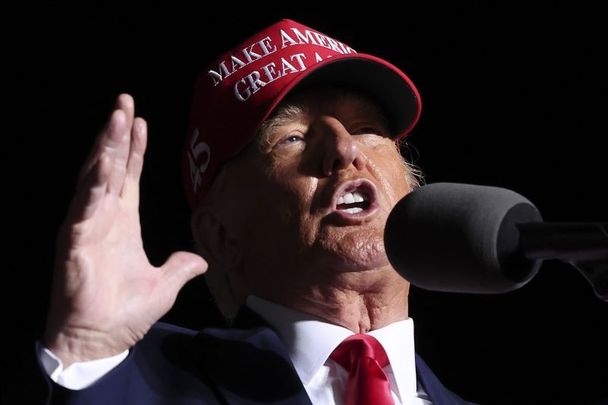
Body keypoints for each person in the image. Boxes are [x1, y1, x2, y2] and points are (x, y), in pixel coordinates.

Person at [37, 19, 477, 404]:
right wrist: (87, 357)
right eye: (294, 139)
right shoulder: (141, 385)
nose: (344, 150)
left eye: (368, 130)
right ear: (221, 235)